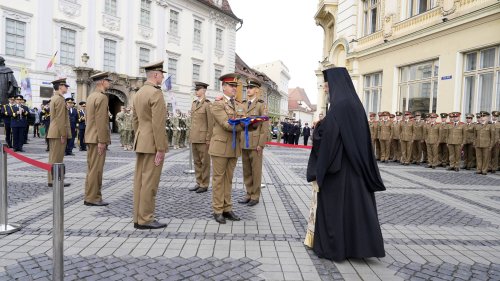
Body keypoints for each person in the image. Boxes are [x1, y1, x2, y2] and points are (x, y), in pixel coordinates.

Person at [305, 67, 385, 261]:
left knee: (338, 209)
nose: (325, 90)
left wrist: (319, 129)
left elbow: (330, 138)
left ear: (334, 85)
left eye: (326, 86)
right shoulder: (354, 104)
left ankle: (335, 248)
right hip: (356, 169)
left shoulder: (339, 106)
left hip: (339, 171)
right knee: (357, 209)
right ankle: (360, 248)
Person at [132, 61, 169, 229]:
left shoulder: (139, 93)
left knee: (140, 181)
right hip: (153, 143)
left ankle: (138, 217)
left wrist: (139, 137)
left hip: (141, 140)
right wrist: (161, 148)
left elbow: (135, 120)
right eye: (162, 74)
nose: (163, 77)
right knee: (149, 183)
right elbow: (158, 124)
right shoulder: (156, 94)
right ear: (155, 75)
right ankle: (146, 218)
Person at [209, 73, 246, 224]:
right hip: (220, 147)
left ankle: (227, 208)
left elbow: (242, 120)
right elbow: (226, 124)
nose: (234, 89)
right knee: (218, 180)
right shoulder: (217, 104)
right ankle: (218, 210)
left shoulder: (237, 104)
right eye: (231, 86)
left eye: (235, 86)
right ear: (223, 87)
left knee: (228, 179)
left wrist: (251, 123)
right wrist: (244, 123)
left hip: (233, 147)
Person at [238, 78, 269, 207]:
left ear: (257, 90)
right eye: (247, 88)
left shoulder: (261, 105)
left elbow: (265, 125)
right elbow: (239, 120)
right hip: (244, 141)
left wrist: (261, 144)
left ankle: (255, 196)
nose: (248, 90)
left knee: (255, 170)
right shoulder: (243, 104)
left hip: (255, 142)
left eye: (251, 88)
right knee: (246, 170)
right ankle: (248, 193)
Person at [84, 72, 113, 206]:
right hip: (97, 139)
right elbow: (101, 121)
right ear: (102, 82)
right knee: (96, 170)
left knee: (91, 168)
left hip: (91, 136)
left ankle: (89, 195)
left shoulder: (91, 97)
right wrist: (102, 140)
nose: (110, 83)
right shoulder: (101, 98)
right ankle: (93, 198)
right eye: (108, 80)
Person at [188, 81, 213, 193]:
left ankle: (204, 184)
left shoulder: (208, 104)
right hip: (194, 137)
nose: (196, 91)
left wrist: (208, 138)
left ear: (203, 90)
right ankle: (198, 182)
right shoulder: (194, 103)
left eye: (198, 89)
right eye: (195, 90)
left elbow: (211, 123)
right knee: (197, 161)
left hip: (203, 138)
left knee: (205, 162)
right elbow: (192, 121)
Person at [47, 78, 71, 187]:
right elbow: (60, 119)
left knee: (54, 157)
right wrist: (63, 134)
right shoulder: (60, 99)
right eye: (65, 86)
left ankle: (53, 179)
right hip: (58, 132)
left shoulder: (55, 98)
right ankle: (54, 180)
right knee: (57, 158)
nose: (67, 88)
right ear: (60, 86)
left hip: (54, 131)